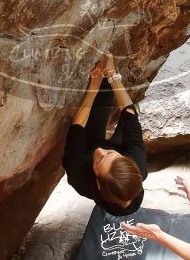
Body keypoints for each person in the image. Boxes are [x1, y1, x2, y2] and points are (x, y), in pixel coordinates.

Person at [62, 52, 147, 216]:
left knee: (101, 93)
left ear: (98, 184)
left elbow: (77, 127)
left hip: (87, 149)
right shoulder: (137, 163)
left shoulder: (78, 176)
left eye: (100, 160)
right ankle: (113, 152)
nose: (100, 151)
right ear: (126, 159)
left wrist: (94, 85)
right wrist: (112, 74)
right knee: (129, 116)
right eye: (109, 154)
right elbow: (128, 113)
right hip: (122, 149)